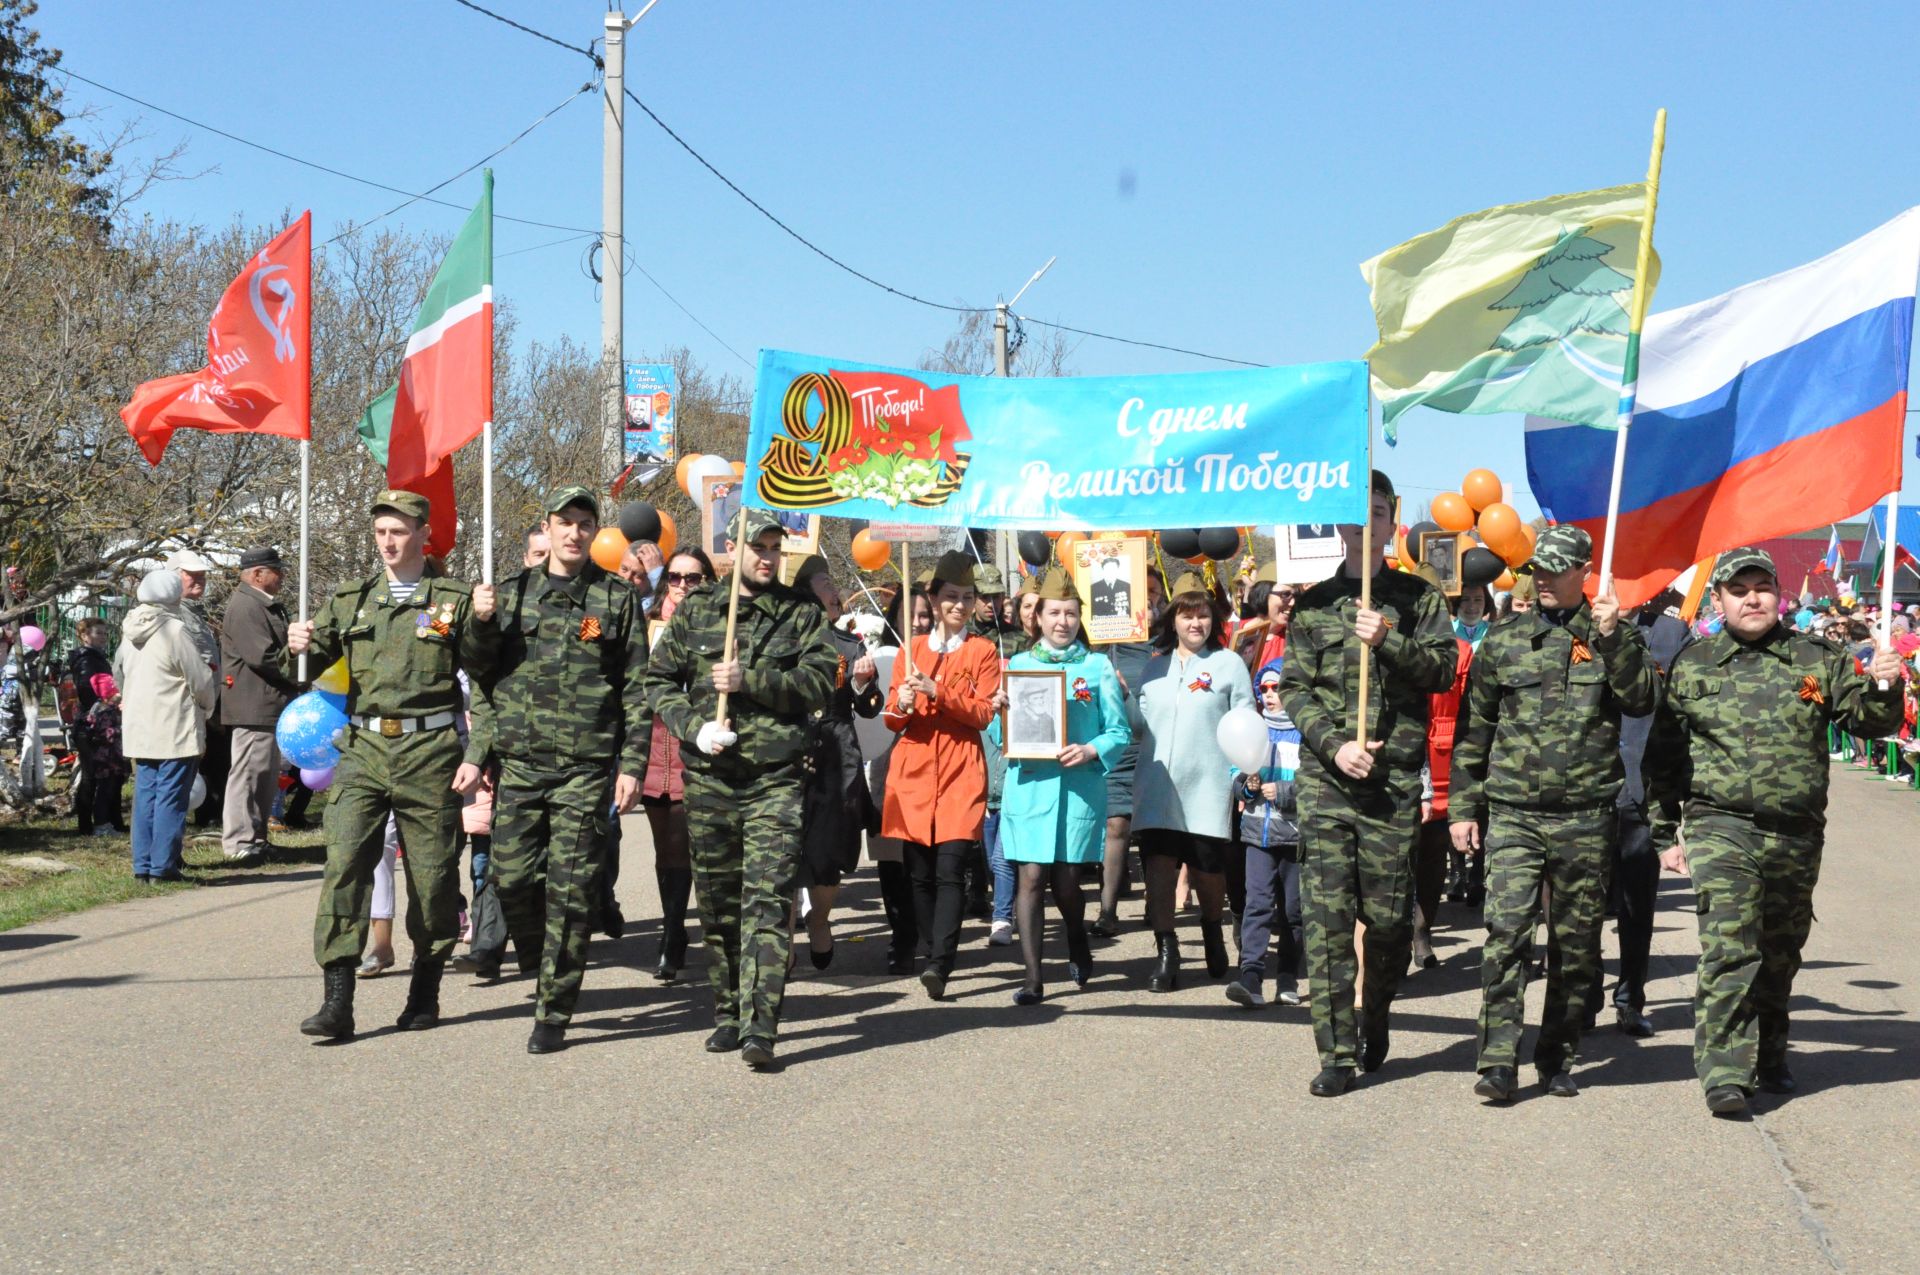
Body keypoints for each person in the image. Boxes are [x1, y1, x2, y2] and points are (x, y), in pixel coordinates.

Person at [1648, 546, 1903, 1117]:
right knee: (1730, 948)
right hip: (1722, 825)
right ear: (1719, 600)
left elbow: (1863, 721)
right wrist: (1665, 833)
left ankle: (1769, 1051)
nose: (1753, 598)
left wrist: (1885, 687)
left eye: (1762, 586)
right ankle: (1724, 1072)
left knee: (1780, 951)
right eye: (1739, 590)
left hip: (1796, 833)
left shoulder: (1816, 660)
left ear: (1779, 594)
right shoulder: (1694, 664)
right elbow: (1663, 757)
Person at [1448, 526, 1657, 1102]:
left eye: (1555, 569)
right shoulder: (1506, 638)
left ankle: (1557, 1054)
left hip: (1586, 816)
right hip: (1514, 812)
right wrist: (1464, 808)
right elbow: (1476, 729)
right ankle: (1496, 1061)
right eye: (1537, 568)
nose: (1541, 577)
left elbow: (1641, 701)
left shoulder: (1615, 635)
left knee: (1577, 942)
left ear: (1584, 572)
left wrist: (1613, 640)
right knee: (1506, 935)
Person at [285, 490, 498, 1042]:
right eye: (381, 531)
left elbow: (487, 685)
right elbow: (302, 668)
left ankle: (423, 991)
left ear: (424, 535)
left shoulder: (453, 600)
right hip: (363, 751)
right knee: (345, 863)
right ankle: (337, 1001)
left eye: (399, 530)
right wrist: (296, 643)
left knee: (431, 877)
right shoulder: (352, 599)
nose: (388, 541)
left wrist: (477, 755)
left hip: (430, 755)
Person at [1280, 471, 1457, 1097]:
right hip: (1329, 785)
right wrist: (1334, 745)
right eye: (1355, 514)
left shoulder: (1420, 598)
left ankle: (1375, 1008)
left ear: (1391, 522)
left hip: (1392, 787)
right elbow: (1294, 688)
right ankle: (1335, 1053)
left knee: (1385, 922)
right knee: (1327, 924)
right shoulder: (1313, 603)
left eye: (1377, 512)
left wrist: (1388, 639)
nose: (1366, 524)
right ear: (1340, 525)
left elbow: (1441, 671)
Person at [644, 513, 838, 1069]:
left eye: (776, 548)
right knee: (720, 903)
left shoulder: (800, 614)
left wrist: (749, 680)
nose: (768, 557)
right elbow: (656, 681)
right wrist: (692, 726)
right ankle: (728, 1011)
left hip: (774, 780)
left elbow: (819, 682)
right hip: (710, 780)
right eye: (758, 547)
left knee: (769, 902)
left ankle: (762, 1025)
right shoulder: (702, 609)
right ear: (733, 548)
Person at [463, 486, 648, 1054]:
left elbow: (637, 688)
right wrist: (479, 621)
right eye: (564, 523)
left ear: (595, 532)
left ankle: (554, 1009)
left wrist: (633, 763)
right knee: (512, 880)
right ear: (546, 528)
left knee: (570, 893)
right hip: (520, 764)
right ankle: (542, 953)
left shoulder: (615, 599)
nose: (573, 533)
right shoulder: (511, 596)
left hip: (585, 769)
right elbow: (479, 671)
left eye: (584, 523)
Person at [994, 569, 1129, 1003]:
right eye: (1054, 612)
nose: (1062, 622)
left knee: (1068, 881)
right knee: (1030, 877)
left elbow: (1119, 731)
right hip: (1030, 786)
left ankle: (1076, 935)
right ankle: (1033, 978)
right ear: (1039, 617)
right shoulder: (1018, 666)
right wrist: (1000, 714)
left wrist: (1091, 750)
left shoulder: (1097, 666)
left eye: (1071, 613)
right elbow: (1003, 739)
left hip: (1077, 789)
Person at [881, 550, 1003, 1001]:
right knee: (919, 873)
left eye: (967, 598)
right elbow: (892, 718)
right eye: (951, 597)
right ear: (933, 600)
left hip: (959, 770)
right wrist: (904, 705)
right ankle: (930, 946)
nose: (959, 605)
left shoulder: (983, 651)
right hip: (912, 772)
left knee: (952, 868)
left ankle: (940, 962)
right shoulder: (910, 651)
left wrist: (940, 692)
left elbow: (985, 713)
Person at [1131, 572, 1256, 990]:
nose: (1195, 624)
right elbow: (1135, 726)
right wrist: (1120, 696)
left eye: (1202, 615)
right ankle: (1166, 951)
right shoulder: (1152, 668)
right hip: (1157, 787)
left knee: (1207, 872)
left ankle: (1211, 929)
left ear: (1212, 620)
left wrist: (1243, 775)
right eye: (1186, 616)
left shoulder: (1229, 664)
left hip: (1207, 786)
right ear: (1174, 622)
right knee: (1160, 873)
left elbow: (1246, 721)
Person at [1598, 588, 1693, 1036]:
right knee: (1574, 910)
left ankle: (1630, 999)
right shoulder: (1576, 626)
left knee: (1638, 909)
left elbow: (1687, 713)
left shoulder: (1672, 634)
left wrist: (1676, 805)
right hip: (1583, 791)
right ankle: (1575, 1002)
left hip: (1643, 791)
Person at [790, 554, 883, 969]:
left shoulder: (850, 645)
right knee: (781, 847)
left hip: (837, 757)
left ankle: (819, 921)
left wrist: (863, 684)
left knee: (829, 853)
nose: (834, 590)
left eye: (833, 583)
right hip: (789, 753)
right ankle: (779, 937)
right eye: (825, 582)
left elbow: (869, 708)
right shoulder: (781, 642)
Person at [637, 548, 714, 982]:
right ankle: (672, 931)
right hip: (653, 747)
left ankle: (683, 935)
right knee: (665, 846)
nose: (683, 586)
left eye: (693, 579)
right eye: (676, 577)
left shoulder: (719, 622)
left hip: (697, 747)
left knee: (695, 845)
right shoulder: (646, 624)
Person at [118, 568, 217, 883]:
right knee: (172, 795)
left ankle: (142, 865)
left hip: (140, 723)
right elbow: (199, 678)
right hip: (174, 722)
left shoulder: (129, 628)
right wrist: (208, 705)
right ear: (174, 595)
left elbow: (119, 671)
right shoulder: (174, 630)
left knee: (146, 793)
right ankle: (163, 866)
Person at [1091, 568, 1165, 938]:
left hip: (1157, 749)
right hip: (1118, 748)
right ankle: (1108, 909)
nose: (1147, 599)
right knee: (1115, 824)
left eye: (1152, 592)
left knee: (1153, 832)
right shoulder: (1101, 645)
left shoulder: (1166, 642)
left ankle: (1157, 903)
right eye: (1141, 592)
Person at [1229, 659, 1305, 1008]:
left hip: (1295, 837)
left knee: (1293, 912)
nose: (1271, 695)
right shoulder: (1251, 728)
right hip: (1257, 835)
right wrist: (1249, 784)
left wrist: (1285, 792)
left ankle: (1288, 976)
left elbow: (1315, 786)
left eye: (1279, 687)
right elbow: (1236, 781)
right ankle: (1251, 975)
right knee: (1256, 905)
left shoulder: (1307, 732)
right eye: (1265, 689)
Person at [1420, 582, 1487, 963]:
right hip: (1402, 761)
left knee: (1432, 854)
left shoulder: (1461, 653)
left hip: (1445, 757)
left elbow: (1469, 713)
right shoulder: (1389, 648)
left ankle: (1422, 929)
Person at [219, 546, 296, 866]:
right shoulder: (247, 606)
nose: (282, 577)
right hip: (254, 702)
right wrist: (298, 673)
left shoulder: (262, 604)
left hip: (266, 702)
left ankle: (256, 838)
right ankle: (239, 840)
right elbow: (262, 656)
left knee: (263, 777)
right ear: (257, 574)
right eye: (277, 571)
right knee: (248, 775)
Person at [167, 549, 225, 829]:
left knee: (212, 765)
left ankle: (210, 816)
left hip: (207, 703)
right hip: (189, 705)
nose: (200, 579)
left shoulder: (193, 612)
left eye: (202, 573)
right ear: (174, 577)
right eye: (191, 574)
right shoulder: (175, 614)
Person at [68, 618, 121, 834]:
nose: (103, 637)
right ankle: (98, 823)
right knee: (102, 774)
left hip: (89, 722)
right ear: (84, 635)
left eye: (105, 633)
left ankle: (91, 824)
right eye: (98, 633)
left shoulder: (90, 658)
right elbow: (105, 694)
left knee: (93, 774)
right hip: (95, 724)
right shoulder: (89, 661)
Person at [73, 673, 129, 839]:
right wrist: (124, 728)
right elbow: (106, 734)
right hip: (107, 759)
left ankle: (107, 823)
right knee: (105, 793)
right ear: (109, 694)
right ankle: (101, 825)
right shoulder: (106, 712)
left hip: (109, 758)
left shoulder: (102, 708)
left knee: (109, 791)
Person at [1090, 554, 1133, 622]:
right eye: (1108, 569)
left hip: (1122, 624)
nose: (1110, 572)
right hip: (1100, 626)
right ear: (1103, 570)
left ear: (1117, 570)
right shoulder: (1093, 588)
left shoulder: (1127, 586)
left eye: (1113, 569)